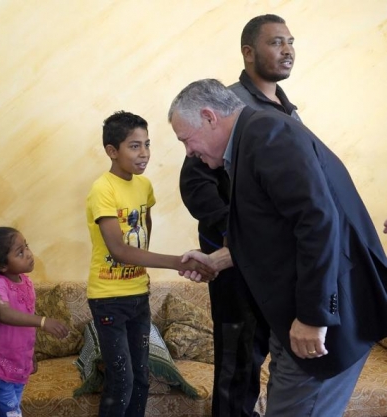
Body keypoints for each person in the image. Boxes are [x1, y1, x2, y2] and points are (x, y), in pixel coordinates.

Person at [168, 78, 387, 416]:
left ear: (210, 117)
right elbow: (277, 232)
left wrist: (314, 317)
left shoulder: (267, 135)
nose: (189, 152)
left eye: (186, 139)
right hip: (291, 322)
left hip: (323, 327)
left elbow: (318, 223)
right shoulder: (252, 139)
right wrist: (219, 260)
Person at [178, 14, 297, 416]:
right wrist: (240, 231)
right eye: (276, 42)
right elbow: (195, 182)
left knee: (282, 357)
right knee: (237, 365)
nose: (287, 50)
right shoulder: (226, 108)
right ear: (248, 52)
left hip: (277, 264)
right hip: (235, 264)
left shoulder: (287, 111)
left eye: (290, 42)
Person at [86, 111, 214, 417]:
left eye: (147, 144)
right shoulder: (103, 189)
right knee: (122, 380)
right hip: (108, 299)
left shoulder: (144, 186)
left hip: (138, 294)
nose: (144, 153)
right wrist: (178, 262)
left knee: (141, 378)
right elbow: (120, 250)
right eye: (134, 146)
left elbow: (142, 240)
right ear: (112, 151)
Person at [0, 227, 68, 417]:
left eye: (26, 246)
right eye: (20, 252)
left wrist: (30, 356)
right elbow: (5, 314)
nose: (29, 254)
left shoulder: (26, 282)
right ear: (2, 265)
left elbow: (25, 325)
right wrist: (43, 321)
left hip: (18, 367)